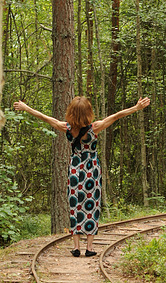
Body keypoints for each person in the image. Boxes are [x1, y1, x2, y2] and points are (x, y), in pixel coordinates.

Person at [13, 96, 151, 257]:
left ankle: (76, 247)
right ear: (88, 113)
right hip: (91, 170)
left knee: (75, 205)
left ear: (71, 112)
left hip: (75, 170)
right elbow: (116, 116)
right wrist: (136, 108)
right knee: (91, 206)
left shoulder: (67, 128)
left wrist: (26, 107)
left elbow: (45, 117)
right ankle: (90, 248)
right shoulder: (95, 127)